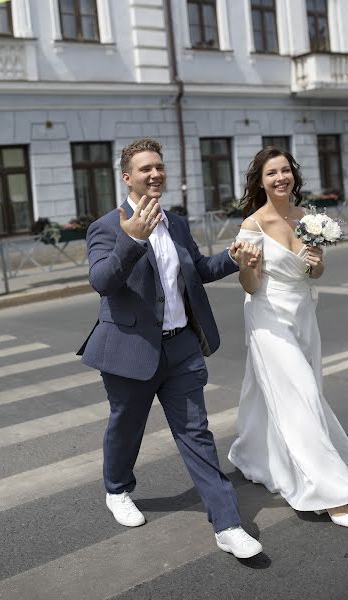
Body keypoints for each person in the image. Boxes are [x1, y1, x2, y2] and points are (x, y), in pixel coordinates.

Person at [78, 138, 263, 559]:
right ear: (127, 177)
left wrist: (233, 256)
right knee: (126, 427)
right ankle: (117, 489)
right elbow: (101, 282)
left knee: (197, 434)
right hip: (129, 349)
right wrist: (132, 240)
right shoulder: (106, 227)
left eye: (159, 166)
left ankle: (228, 524)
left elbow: (196, 271)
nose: (155, 174)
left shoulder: (176, 224)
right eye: (145, 168)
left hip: (180, 348)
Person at [228, 146, 348, 529]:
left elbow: (312, 275)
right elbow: (250, 286)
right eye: (271, 173)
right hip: (268, 316)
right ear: (261, 180)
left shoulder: (309, 219)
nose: (280, 178)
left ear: (294, 175)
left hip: (303, 314)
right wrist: (247, 266)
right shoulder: (251, 226)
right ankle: (331, 494)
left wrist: (317, 265)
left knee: (274, 392)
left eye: (285, 170)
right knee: (300, 394)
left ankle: (252, 453)